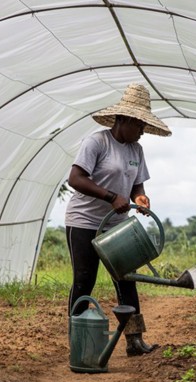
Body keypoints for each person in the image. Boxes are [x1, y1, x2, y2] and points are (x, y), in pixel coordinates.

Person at [64, 83, 171, 356]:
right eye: (140, 125)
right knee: (84, 281)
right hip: (84, 222)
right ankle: (78, 342)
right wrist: (111, 196)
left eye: (145, 126)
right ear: (123, 120)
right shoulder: (97, 142)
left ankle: (134, 340)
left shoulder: (137, 150)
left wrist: (141, 198)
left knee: (127, 281)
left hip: (117, 226)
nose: (143, 131)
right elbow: (75, 179)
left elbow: (137, 186)